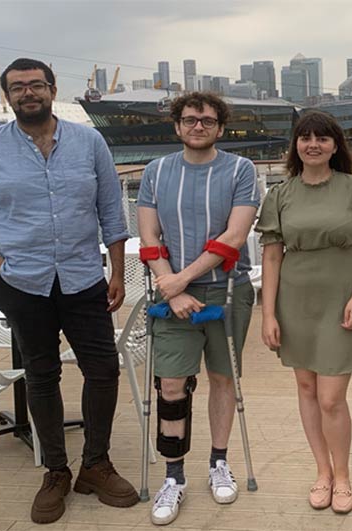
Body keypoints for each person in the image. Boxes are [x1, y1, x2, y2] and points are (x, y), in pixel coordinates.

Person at [0, 57, 138, 524]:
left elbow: (112, 212)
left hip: (83, 278)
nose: (28, 93)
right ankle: (55, 471)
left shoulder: (89, 142)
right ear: (7, 95)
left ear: (52, 89)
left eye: (36, 85)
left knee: (103, 368)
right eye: (17, 87)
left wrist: (116, 273)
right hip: (20, 282)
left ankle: (96, 464)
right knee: (41, 376)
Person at [136, 92, 259, 526]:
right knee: (171, 385)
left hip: (225, 292)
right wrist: (171, 290)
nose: (198, 126)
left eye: (207, 120)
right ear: (177, 126)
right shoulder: (156, 171)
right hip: (172, 297)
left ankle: (218, 462)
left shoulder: (241, 170)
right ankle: (174, 476)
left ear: (220, 127)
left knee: (223, 379)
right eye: (190, 120)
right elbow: (148, 237)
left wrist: (180, 281)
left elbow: (234, 236)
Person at [255, 110, 352, 515]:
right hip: (295, 301)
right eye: (305, 137)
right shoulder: (281, 194)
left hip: (342, 297)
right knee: (307, 389)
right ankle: (322, 472)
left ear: (335, 145)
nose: (313, 144)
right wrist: (269, 314)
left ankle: (342, 475)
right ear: (295, 145)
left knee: (331, 397)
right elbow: (272, 257)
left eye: (322, 138)